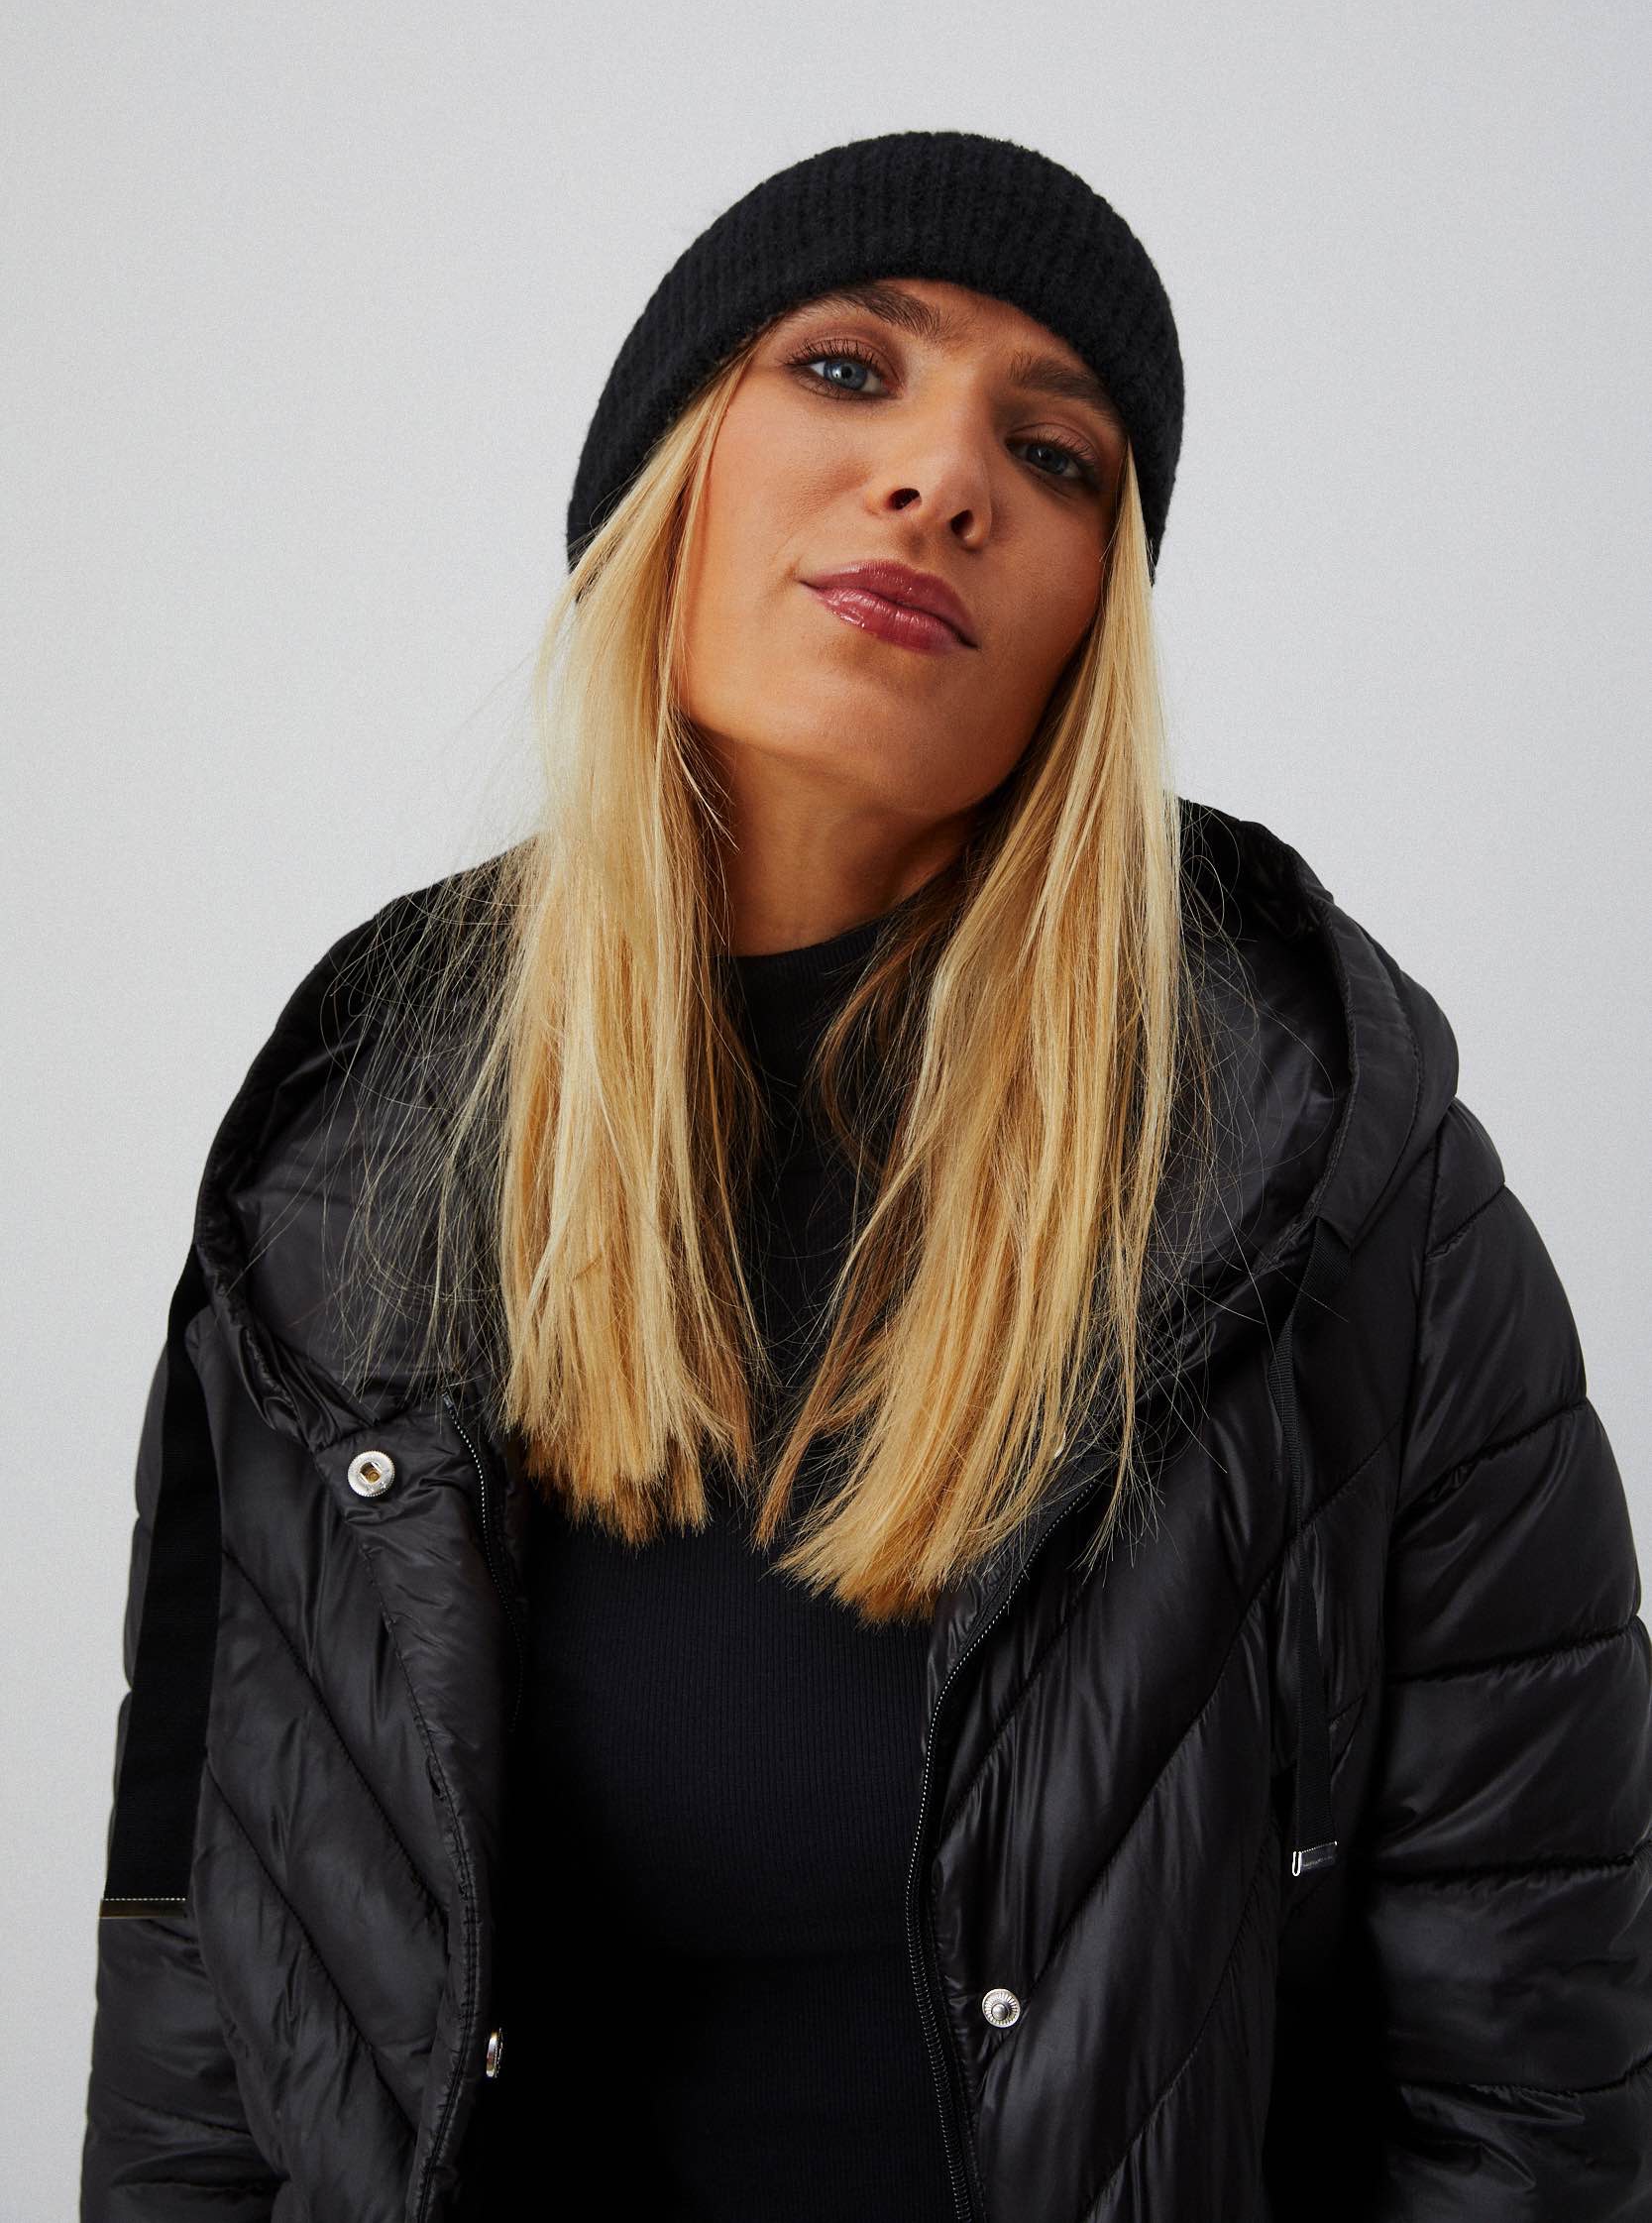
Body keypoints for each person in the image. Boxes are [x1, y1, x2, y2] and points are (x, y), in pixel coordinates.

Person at [80, 129, 1652, 2223]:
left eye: (1057, 456)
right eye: (845, 368)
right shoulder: (347, 1160)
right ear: (664, 468)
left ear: (1095, 619)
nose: (944, 479)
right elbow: (201, 2022)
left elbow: (1534, 2089)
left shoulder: (1336, 1183)